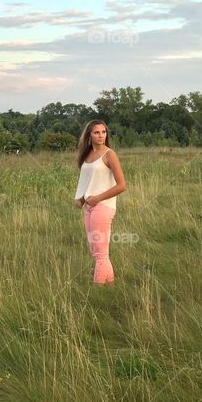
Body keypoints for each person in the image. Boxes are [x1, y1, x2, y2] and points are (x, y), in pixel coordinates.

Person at [74, 120, 127, 284]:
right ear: (89, 135)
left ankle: (97, 291)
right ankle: (110, 286)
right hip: (90, 207)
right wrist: (81, 198)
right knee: (95, 250)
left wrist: (98, 198)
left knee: (100, 253)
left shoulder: (109, 154)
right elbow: (89, 180)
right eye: (97, 132)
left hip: (103, 207)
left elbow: (122, 186)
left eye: (103, 132)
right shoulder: (87, 155)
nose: (101, 136)